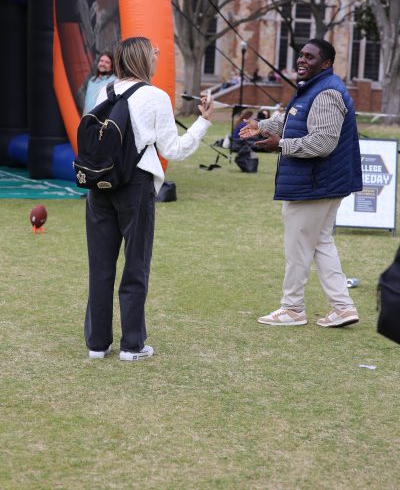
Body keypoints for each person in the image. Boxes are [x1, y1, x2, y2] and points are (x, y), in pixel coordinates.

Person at [85, 37, 214, 361]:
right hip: (135, 184)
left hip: (100, 183)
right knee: (136, 264)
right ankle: (132, 345)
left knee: (100, 267)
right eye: (153, 55)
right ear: (145, 60)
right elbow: (173, 149)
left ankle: (97, 344)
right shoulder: (156, 96)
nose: (157, 59)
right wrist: (203, 121)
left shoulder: (104, 91)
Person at [240, 38, 362, 328]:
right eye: (301, 55)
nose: (302, 60)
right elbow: (293, 120)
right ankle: (343, 308)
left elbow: (323, 142)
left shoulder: (326, 93)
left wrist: (280, 145)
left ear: (326, 63)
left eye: (310, 56)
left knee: (298, 248)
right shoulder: (313, 88)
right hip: (320, 183)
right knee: (320, 242)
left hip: (315, 184)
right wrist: (260, 126)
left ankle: (292, 308)